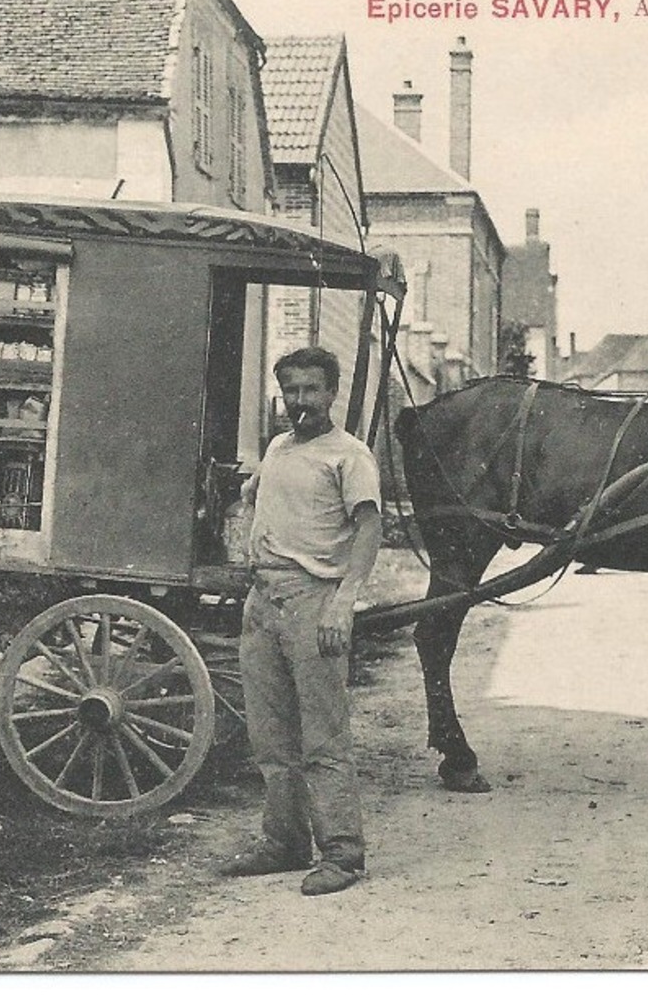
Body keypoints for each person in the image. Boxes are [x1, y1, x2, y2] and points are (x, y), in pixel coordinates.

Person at [220, 346, 382, 896]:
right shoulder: (279, 447)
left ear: (332, 393)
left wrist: (344, 602)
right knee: (270, 737)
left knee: (323, 738)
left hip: (314, 604)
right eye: (291, 390)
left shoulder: (350, 455)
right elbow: (257, 494)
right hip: (262, 601)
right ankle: (284, 843)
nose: (300, 401)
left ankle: (342, 854)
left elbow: (368, 528)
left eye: (312, 390)